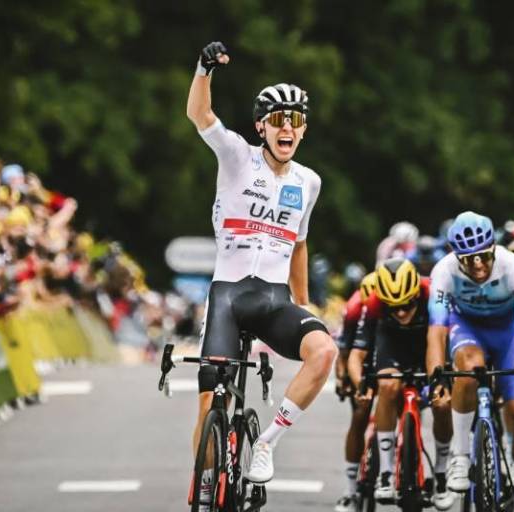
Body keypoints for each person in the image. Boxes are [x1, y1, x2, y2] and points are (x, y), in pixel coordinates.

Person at [186, 41, 337, 508]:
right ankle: (204, 488)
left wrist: (303, 304)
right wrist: (205, 69)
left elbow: (300, 244)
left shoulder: (308, 182)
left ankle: (267, 442)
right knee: (211, 403)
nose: (286, 127)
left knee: (324, 351)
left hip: (274, 300)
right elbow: (199, 114)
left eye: (295, 120)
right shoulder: (237, 156)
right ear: (261, 127)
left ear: (303, 129)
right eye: (277, 119)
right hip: (228, 299)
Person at [425, 211, 514, 512]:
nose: (478, 265)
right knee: (468, 367)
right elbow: (436, 331)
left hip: (508, 333)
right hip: (468, 328)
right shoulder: (444, 271)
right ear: (456, 257)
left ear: (494, 249)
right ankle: (461, 457)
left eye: (484, 257)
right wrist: (436, 377)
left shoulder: (513, 267)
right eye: (468, 259)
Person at [347, 257, 454, 510]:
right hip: (392, 347)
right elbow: (356, 355)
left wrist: (446, 378)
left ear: (416, 294)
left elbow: (447, 341)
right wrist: (360, 384)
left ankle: (441, 473)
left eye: (407, 305)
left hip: (428, 347)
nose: (402, 312)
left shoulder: (433, 294)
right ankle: (385, 473)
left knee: (442, 404)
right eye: (393, 308)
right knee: (387, 386)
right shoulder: (372, 303)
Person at [333, 272, 377, 512]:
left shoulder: (390, 304)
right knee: (360, 415)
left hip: (388, 354)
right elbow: (343, 352)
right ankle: (350, 490)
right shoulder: (353, 308)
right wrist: (343, 379)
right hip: (359, 358)